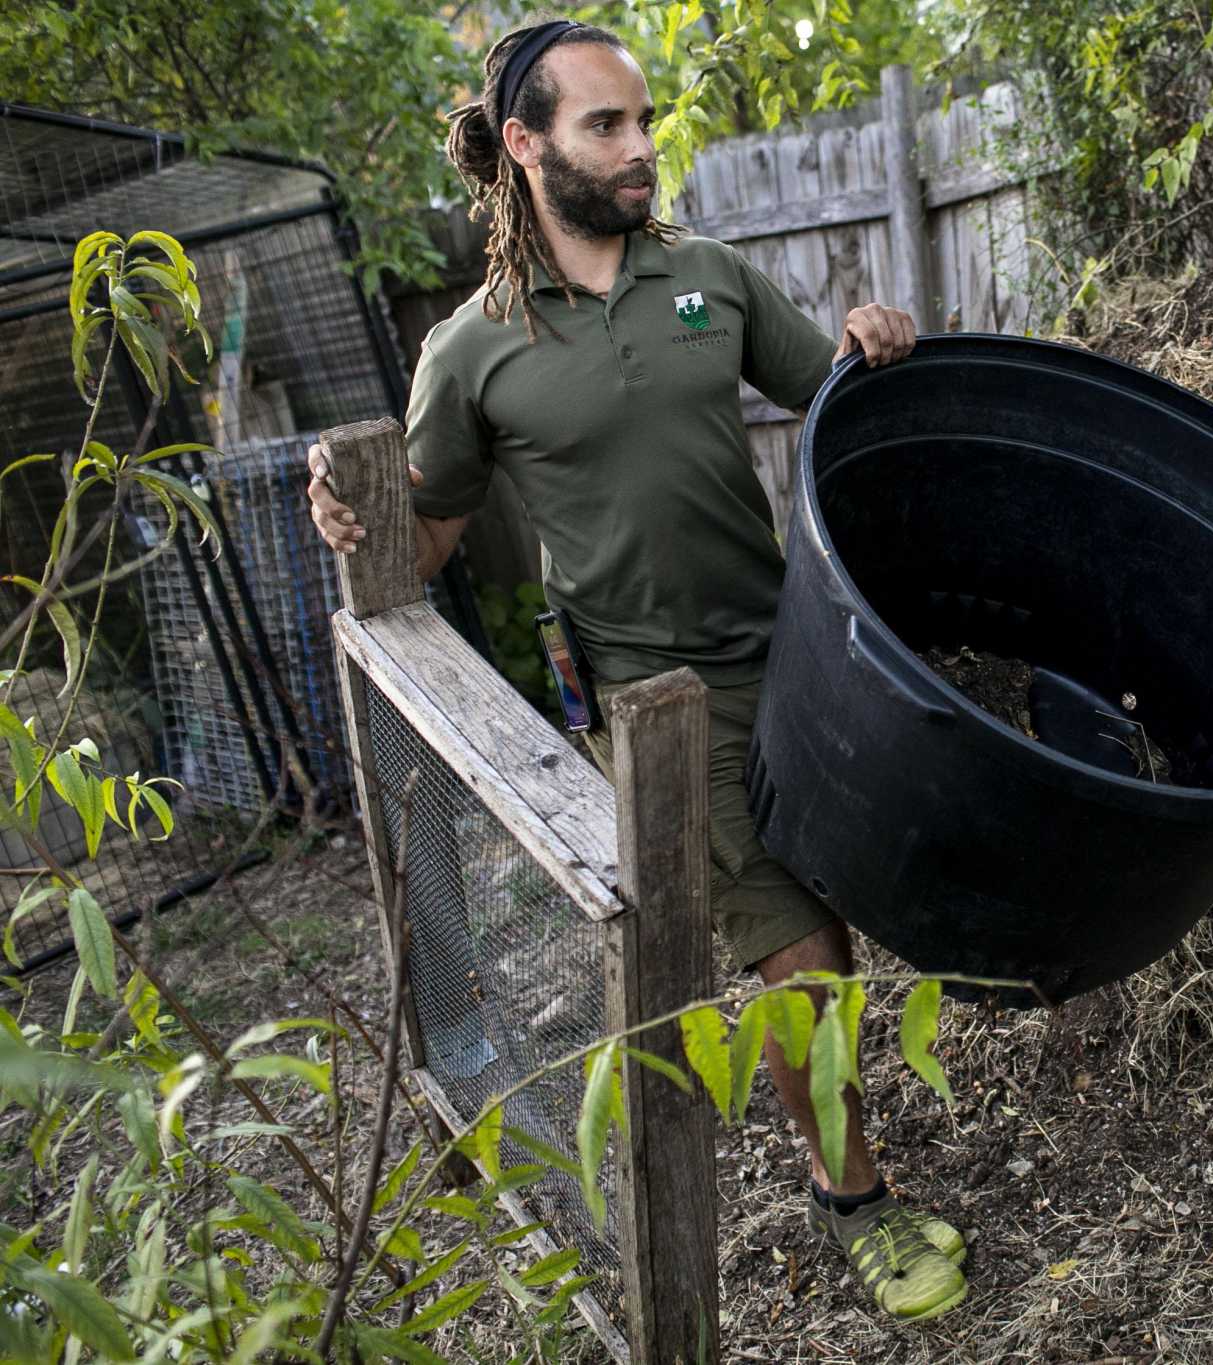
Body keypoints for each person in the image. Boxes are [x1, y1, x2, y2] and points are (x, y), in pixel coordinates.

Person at [305, 18, 967, 1323]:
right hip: (657, 705)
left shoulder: (707, 277)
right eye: (608, 125)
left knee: (880, 890)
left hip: (798, 650)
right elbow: (424, 540)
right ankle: (856, 1199)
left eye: (644, 122)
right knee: (803, 959)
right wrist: (354, 509)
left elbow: (835, 391)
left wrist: (875, 340)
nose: (642, 147)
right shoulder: (473, 347)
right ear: (525, 143)